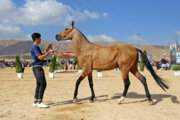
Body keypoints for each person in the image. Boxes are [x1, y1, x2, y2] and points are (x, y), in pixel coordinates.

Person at [30, 33, 54, 108]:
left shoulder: (35, 47)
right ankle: (40, 102)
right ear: (36, 39)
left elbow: (42, 54)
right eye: (40, 38)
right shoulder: (35, 47)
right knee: (43, 84)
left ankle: (36, 101)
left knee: (39, 84)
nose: (41, 39)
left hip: (36, 67)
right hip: (38, 68)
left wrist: (48, 48)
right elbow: (40, 57)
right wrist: (49, 52)